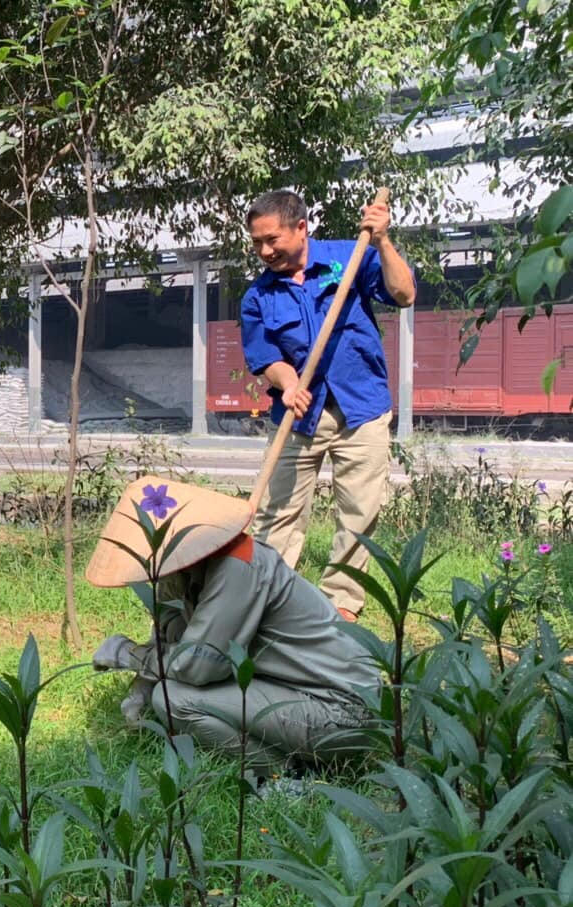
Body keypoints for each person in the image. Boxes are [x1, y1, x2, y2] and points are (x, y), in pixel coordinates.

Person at [85, 475, 378, 775]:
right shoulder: (179, 570)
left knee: (175, 701)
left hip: (343, 711)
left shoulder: (238, 566)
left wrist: (131, 656)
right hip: (295, 690)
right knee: (168, 691)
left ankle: (286, 777)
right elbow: (170, 635)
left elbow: (199, 667)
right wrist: (142, 686)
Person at [241, 190, 415, 622]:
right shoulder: (258, 297)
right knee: (277, 512)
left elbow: (405, 293)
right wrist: (287, 382)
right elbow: (265, 359)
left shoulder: (350, 256)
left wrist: (383, 242)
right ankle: (267, 599)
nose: (265, 251)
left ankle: (341, 606)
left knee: (359, 513)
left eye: (272, 239)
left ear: (301, 228)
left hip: (362, 410)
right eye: (257, 243)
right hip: (299, 417)